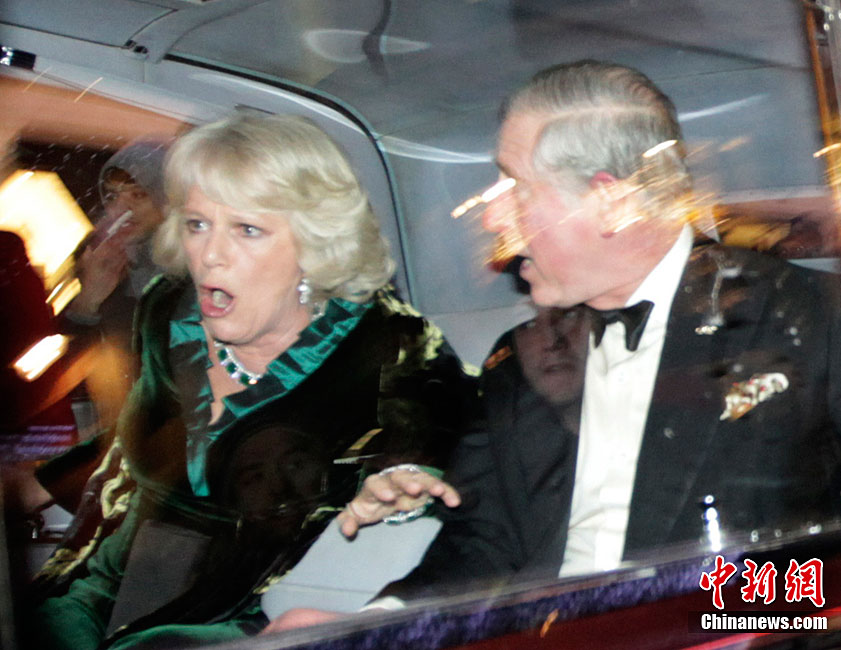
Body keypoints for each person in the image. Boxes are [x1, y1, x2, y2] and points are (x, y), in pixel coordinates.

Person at [341, 60, 841, 600]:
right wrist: (376, 624)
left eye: (516, 188)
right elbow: (481, 547)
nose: (491, 219)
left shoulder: (810, 321)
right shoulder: (521, 362)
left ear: (612, 203)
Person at [27, 112, 472, 649]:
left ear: (314, 244)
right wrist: (27, 487)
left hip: (242, 611)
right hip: (106, 586)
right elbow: (140, 444)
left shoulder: (387, 344)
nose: (210, 255)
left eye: (247, 230)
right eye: (197, 224)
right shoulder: (167, 311)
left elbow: (465, 456)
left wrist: (405, 480)